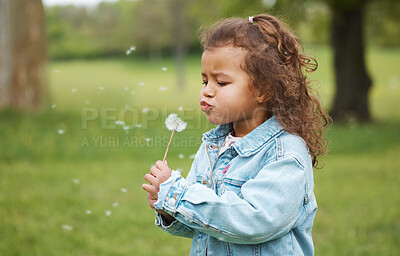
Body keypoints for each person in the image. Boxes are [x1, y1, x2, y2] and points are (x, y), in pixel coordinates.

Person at [142, 14, 330, 256]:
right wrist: (169, 208)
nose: (207, 91)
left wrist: (179, 195)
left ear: (263, 89)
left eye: (221, 83)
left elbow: (254, 222)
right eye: (204, 81)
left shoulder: (286, 154)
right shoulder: (213, 147)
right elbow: (206, 223)